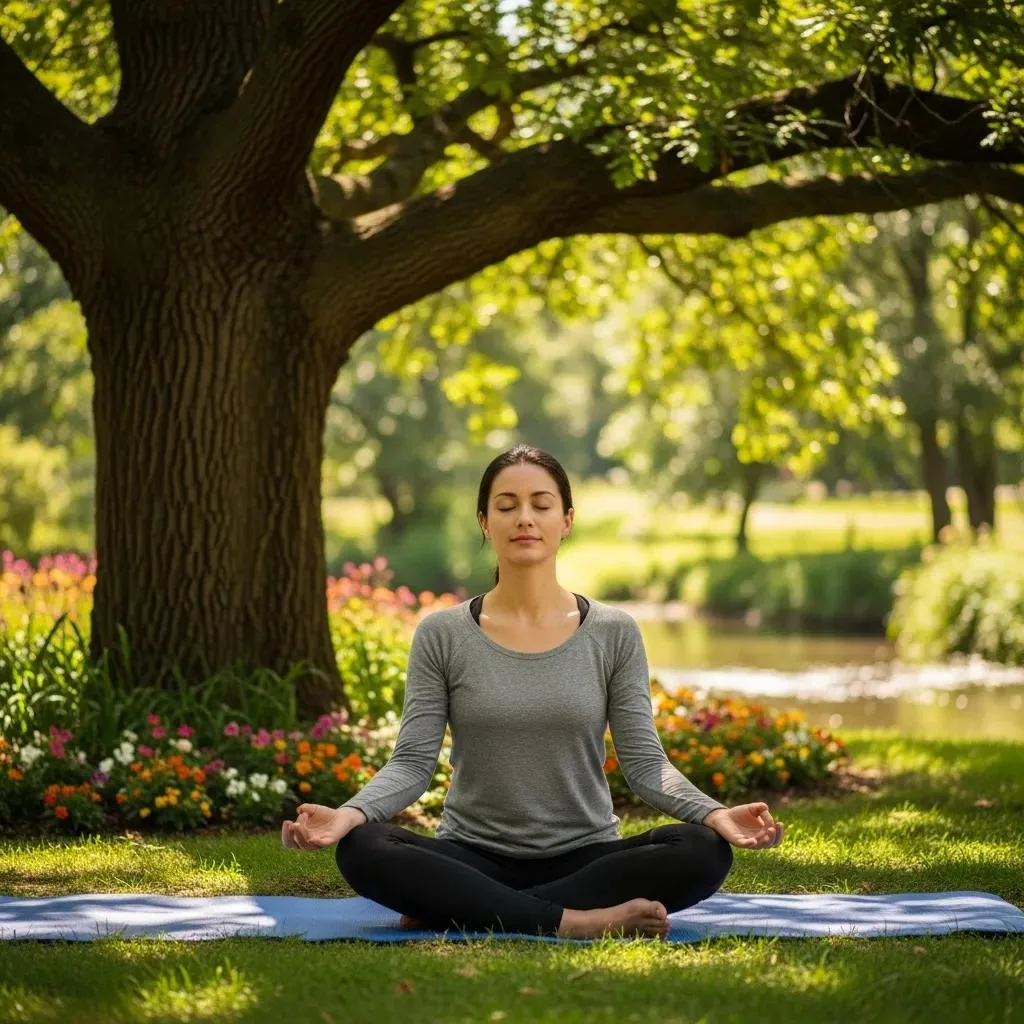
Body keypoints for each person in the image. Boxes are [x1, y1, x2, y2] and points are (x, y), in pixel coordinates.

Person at [282, 444, 785, 939]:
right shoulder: (443, 634)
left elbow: (645, 763)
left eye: (541, 505)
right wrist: (347, 815)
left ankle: (457, 907)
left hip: (586, 858)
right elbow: (413, 763)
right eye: (507, 506)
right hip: (471, 854)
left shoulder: (614, 632)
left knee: (703, 850)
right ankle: (572, 921)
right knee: (363, 847)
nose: (525, 518)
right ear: (485, 521)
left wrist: (717, 814)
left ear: (566, 520)